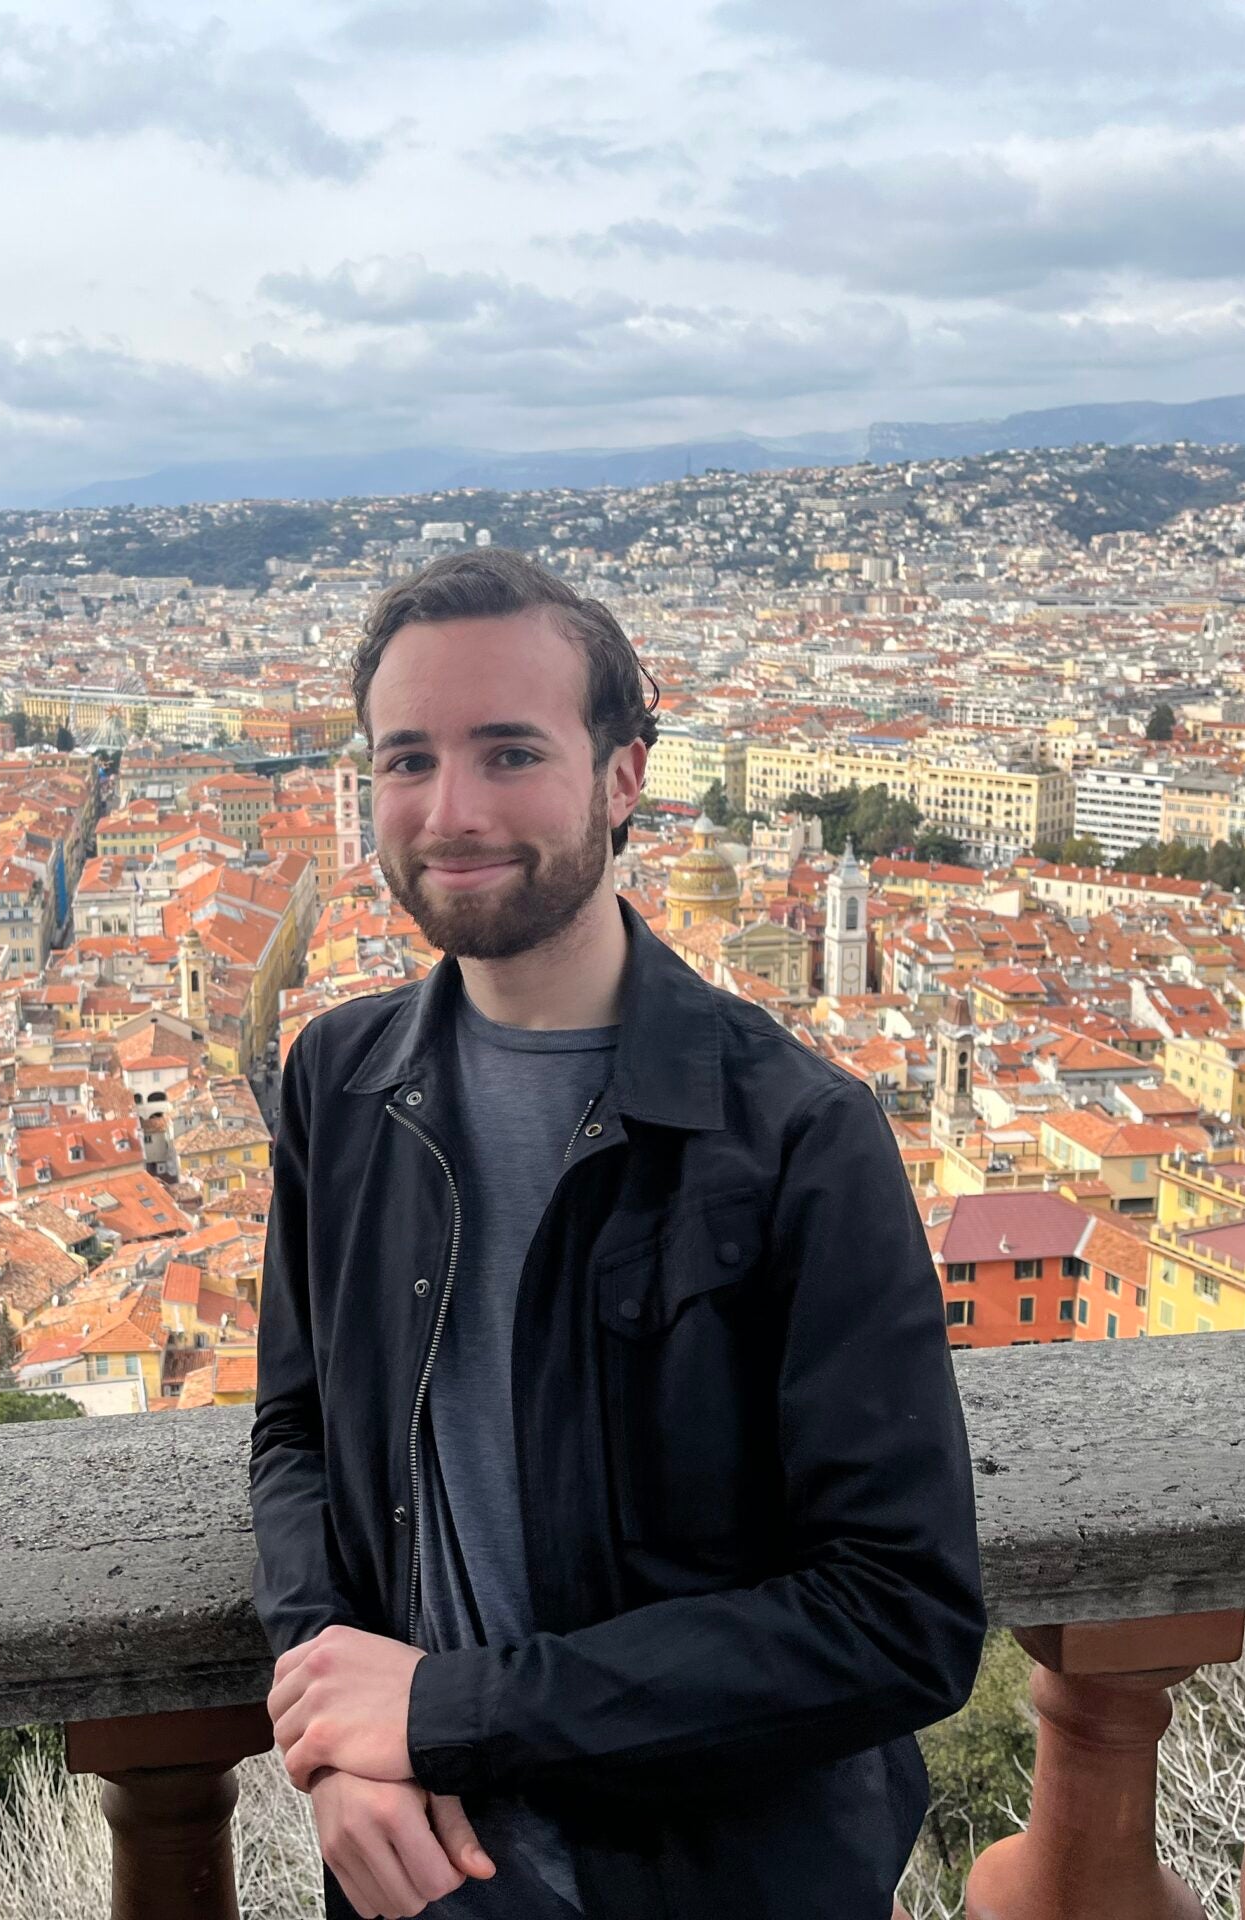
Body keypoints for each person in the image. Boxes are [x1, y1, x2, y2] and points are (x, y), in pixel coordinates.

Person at [253, 549, 984, 1919]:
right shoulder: (336, 1087)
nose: (450, 809)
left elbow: (903, 1619)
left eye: (510, 752)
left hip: (720, 1883)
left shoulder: (796, 1139)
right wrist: (331, 1724)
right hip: (429, 1879)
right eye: (406, 759)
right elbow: (298, 1437)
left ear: (624, 776)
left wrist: (450, 1710)